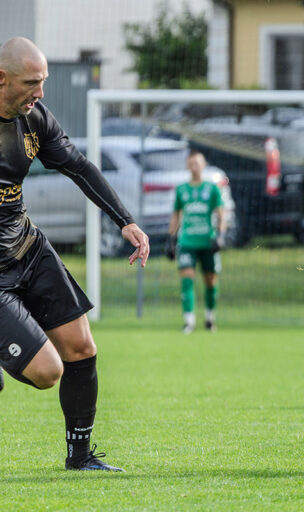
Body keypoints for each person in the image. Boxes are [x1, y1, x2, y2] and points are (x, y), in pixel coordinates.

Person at [0, 37, 150, 471]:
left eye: (43, 81)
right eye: (31, 82)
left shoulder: (34, 118)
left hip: (27, 248)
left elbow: (78, 166)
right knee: (47, 372)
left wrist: (125, 220)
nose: (40, 92)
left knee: (81, 348)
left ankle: (80, 459)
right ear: (2, 78)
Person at [166, 150, 226, 334]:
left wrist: (220, 235)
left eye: (197, 163)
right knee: (186, 280)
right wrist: (171, 239)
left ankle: (209, 317)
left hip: (208, 242)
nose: (194, 167)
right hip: (187, 243)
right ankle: (189, 321)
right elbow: (176, 216)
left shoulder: (212, 189)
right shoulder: (181, 190)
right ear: (187, 166)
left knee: (211, 282)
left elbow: (221, 214)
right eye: (191, 163)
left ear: (204, 165)